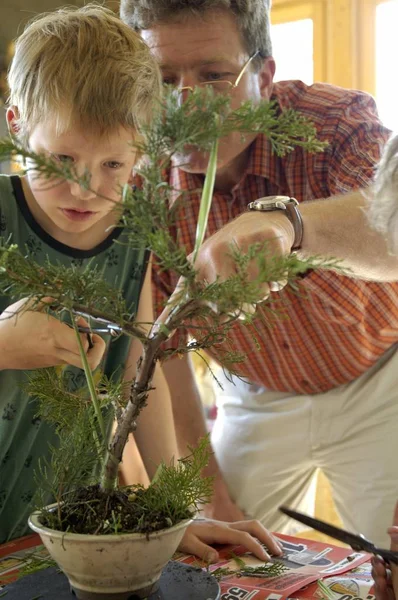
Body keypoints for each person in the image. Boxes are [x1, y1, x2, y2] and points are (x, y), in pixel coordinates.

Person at [0, 4, 283, 563]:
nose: (86, 189)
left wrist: (171, 513)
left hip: (63, 522)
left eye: (113, 165)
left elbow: (140, 370)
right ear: (16, 126)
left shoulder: (134, 234)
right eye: (62, 158)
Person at [120, 0, 398, 545]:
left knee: (387, 553)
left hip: (380, 381)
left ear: (264, 77)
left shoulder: (331, 123)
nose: (186, 106)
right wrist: (209, 497)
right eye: (162, 79)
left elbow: (391, 227)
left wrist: (287, 224)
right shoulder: (138, 184)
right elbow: (164, 359)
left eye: (215, 76)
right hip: (256, 394)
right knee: (227, 546)